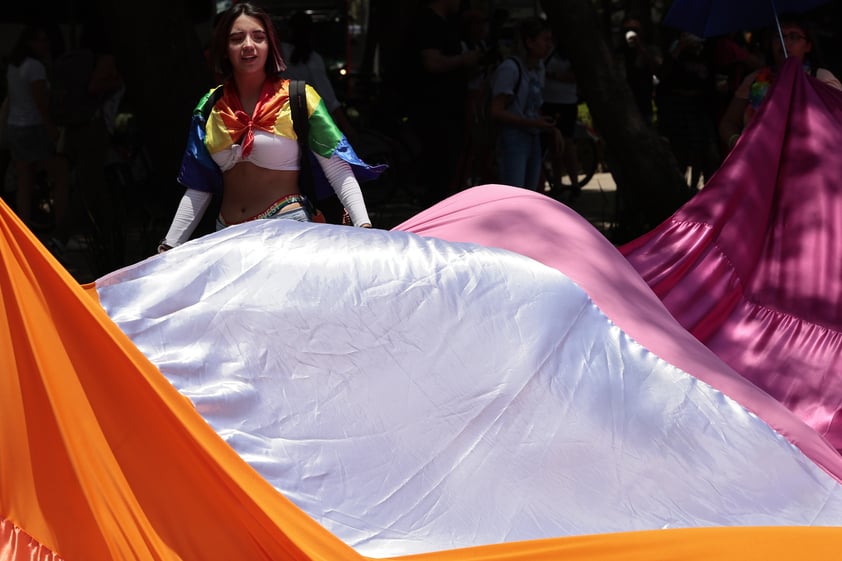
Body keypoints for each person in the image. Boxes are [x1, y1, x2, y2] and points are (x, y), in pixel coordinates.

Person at [159, 3, 379, 253]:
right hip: (226, 237)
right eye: (236, 38)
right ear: (224, 49)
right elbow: (199, 185)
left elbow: (338, 169)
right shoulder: (209, 106)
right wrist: (169, 244)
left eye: (259, 37)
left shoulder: (299, 97)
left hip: (288, 230)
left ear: (271, 46)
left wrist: (364, 227)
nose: (248, 45)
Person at [719, 14, 842, 152]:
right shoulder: (754, 79)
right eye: (779, 36)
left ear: (808, 46)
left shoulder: (821, 78)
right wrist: (738, 144)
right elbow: (727, 123)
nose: (785, 42)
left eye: (794, 36)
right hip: (759, 163)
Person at [404, 0, 482, 206]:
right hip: (435, 112)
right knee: (438, 169)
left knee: (448, 170)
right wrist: (463, 60)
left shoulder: (447, 24)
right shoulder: (428, 23)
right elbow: (432, 62)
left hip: (450, 110)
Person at [4, 24, 71, 253]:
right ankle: (61, 228)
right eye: (40, 40)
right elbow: (41, 103)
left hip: (16, 126)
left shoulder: (15, 66)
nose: (45, 45)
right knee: (60, 174)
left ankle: (22, 231)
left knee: (25, 178)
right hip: (33, 127)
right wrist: (52, 129)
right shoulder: (35, 68)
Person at [489, 16, 557, 191]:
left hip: (533, 137)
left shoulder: (537, 68)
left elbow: (533, 106)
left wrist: (549, 128)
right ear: (529, 42)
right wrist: (532, 123)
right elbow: (496, 110)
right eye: (545, 40)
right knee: (514, 193)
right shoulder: (510, 68)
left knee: (529, 194)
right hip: (513, 139)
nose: (549, 45)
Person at [541, 41, 581, 196]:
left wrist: (552, 75)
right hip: (548, 102)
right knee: (553, 144)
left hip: (567, 103)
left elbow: (574, 76)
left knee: (567, 144)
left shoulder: (572, 52)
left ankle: (575, 183)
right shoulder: (548, 50)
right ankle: (557, 184)